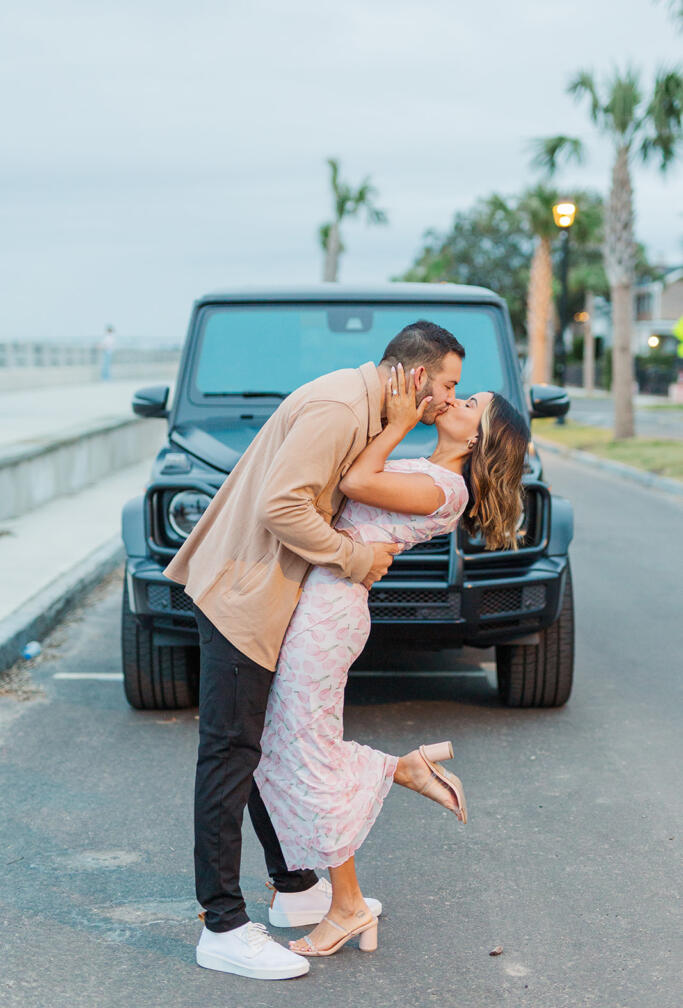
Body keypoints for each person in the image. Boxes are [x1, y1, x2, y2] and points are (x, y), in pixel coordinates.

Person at [162, 320, 465, 980]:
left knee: (264, 746)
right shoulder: (338, 408)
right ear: (416, 379)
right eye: (446, 386)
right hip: (244, 591)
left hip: (271, 591)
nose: (447, 400)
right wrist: (354, 557)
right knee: (231, 752)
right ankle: (222, 925)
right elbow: (281, 506)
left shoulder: (360, 409)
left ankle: (298, 889)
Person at [253, 365, 530, 958]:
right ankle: (398, 773)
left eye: (468, 402)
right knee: (290, 748)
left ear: (477, 438)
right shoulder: (432, 471)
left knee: (304, 753)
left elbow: (355, 480)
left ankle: (347, 906)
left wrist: (400, 421)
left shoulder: (444, 490)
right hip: (319, 604)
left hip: (329, 617)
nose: (453, 399)